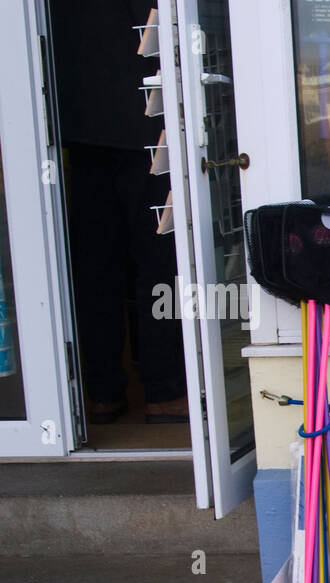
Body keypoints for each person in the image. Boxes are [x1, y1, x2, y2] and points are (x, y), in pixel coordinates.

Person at [51, 0, 187, 424]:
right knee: (159, 263)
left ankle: (102, 392)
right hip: (142, 118)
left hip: (73, 117)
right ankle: (163, 391)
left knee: (94, 266)